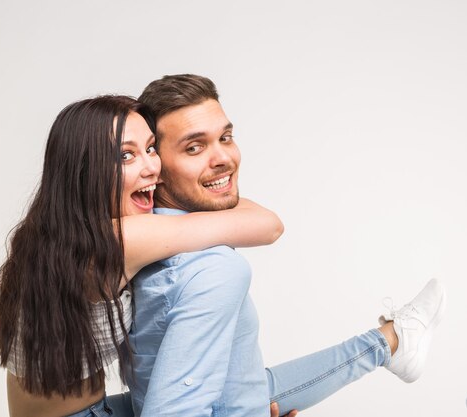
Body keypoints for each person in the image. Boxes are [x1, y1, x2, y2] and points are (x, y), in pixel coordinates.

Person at [125, 74, 446, 417]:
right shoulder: (212, 268)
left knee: (251, 381)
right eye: (194, 147)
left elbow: (233, 386)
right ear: (155, 164)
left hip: (234, 396)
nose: (224, 158)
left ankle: (391, 340)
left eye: (226, 137)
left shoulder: (144, 232)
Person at [0, 95, 293, 417]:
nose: (153, 168)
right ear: (84, 170)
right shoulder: (117, 240)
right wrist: (200, 187)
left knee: (268, 394)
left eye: (151, 149)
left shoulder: (54, 232)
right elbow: (269, 226)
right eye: (126, 155)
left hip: (96, 408)